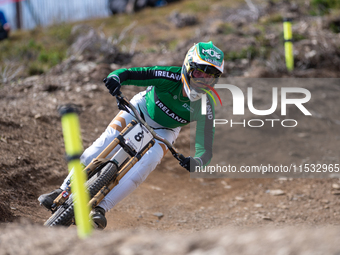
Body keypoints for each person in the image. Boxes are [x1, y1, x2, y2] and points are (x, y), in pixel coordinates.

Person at [38, 41, 224, 229]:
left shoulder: (206, 106)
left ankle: (100, 208)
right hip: (140, 108)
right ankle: (62, 192)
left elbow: (206, 147)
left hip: (166, 130)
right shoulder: (169, 75)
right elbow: (132, 74)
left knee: (147, 164)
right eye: (198, 72)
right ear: (187, 67)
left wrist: (197, 162)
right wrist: (115, 78)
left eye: (209, 77)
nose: (202, 80)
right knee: (101, 145)